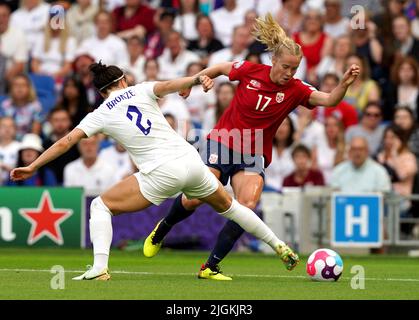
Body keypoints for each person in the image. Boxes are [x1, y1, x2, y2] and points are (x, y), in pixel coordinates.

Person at [10, 61, 299, 281]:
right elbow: (174, 84)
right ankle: (279, 245)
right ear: (123, 80)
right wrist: (199, 79)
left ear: (100, 92)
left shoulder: (98, 114)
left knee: (101, 206)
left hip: (162, 172)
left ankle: (99, 268)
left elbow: (65, 141)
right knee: (233, 207)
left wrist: (33, 165)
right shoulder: (141, 89)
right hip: (191, 161)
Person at [144, 14, 360, 280]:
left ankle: (211, 266)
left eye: (295, 68)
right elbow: (221, 67)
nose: (290, 73)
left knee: (246, 208)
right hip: (222, 142)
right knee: (195, 197)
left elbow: (328, 100)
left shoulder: (297, 89)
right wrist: (193, 82)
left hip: (254, 153)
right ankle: (162, 230)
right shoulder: (250, 70)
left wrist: (344, 84)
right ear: (273, 61)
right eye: (286, 67)